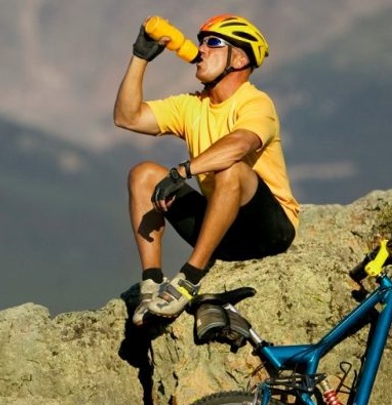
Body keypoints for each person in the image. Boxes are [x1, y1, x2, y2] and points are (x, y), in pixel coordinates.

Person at [114, 14, 300, 325]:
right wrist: (140, 57)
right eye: (200, 42)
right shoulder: (193, 105)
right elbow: (127, 117)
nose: (201, 49)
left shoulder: (256, 103)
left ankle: (189, 278)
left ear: (238, 58)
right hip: (222, 231)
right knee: (143, 173)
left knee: (231, 168)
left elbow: (239, 145)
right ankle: (152, 284)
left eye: (213, 43)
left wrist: (182, 173)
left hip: (270, 229)